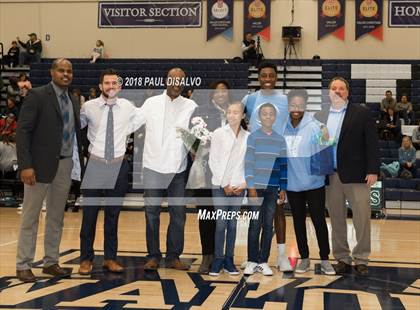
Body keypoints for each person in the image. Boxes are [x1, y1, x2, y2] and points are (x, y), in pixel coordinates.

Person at [15, 58, 83, 282]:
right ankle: (23, 264)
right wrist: (26, 165)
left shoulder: (73, 100)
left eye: (69, 71)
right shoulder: (37, 95)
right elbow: (23, 132)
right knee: (31, 217)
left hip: (64, 165)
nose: (66, 74)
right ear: (52, 72)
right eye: (61, 70)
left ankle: (51, 262)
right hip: (38, 166)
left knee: (56, 217)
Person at [315, 77, 379, 276]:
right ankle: (342, 257)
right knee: (336, 219)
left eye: (341, 88)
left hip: (357, 175)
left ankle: (361, 258)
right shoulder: (320, 115)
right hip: (331, 176)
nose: (337, 91)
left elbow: (372, 143)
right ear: (329, 92)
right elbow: (318, 145)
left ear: (347, 92)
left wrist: (373, 170)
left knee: (361, 219)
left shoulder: (361, 113)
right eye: (333, 88)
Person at [78, 69, 139, 275]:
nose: (111, 86)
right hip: (95, 165)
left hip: (118, 165)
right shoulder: (88, 107)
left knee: (112, 215)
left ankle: (110, 258)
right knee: (89, 215)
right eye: (107, 83)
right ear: (101, 85)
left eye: (114, 83)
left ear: (119, 86)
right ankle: (86, 259)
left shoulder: (129, 107)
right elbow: (77, 130)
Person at [138, 68, 198, 271]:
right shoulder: (151, 103)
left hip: (178, 169)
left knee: (178, 214)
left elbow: (195, 133)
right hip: (153, 167)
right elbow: (132, 123)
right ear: (166, 80)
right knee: (151, 213)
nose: (176, 83)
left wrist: (196, 149)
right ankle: (153, 255)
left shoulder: (191, 105)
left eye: (181, 80)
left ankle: (173, 257)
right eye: (173, 79)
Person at [242, 61, 292, 272]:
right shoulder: (249, 99)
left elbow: (293, 125)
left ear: (276, 78)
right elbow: (239, 123)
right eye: (264, 76)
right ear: (259, 77)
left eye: (272, 75)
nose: (268, 79)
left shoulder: (285, 100)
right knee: (255, 216)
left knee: (277, 213)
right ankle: (252, 258)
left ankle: (280, 256)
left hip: (277, 161)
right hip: (257, 162)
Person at [283, 89, 335, 275]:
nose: (296, 109)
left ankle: (324, 259)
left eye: (300, 105)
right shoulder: (282, 127)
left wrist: (326, 136)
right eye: (293, 105)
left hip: (314, 184)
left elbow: (326, 149)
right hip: (292, 185)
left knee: (319, 221)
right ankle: (304, 258)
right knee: (298, 222)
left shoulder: (316, 126)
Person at [189, 80, 231, 274]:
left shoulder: (235, 112)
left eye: (224, 91)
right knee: (207, 215)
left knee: (224, 217)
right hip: (206, 172)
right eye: (217, 91)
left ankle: (222, 256)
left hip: (228, 174)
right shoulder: (200, 112)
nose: (221, 94)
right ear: (212, 94)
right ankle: (207, 256)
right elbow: (193, 142)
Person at [244, 103, 288, 276]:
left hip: (272, 189)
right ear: (259, 117)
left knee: (268, 226)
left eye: (271, 114)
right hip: (256, 188)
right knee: (255, 224)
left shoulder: (280, 139)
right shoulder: (253, 138)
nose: (268, 117)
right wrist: (251, 186)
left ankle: (263, 262)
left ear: (275, 117)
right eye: (264, 114)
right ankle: (252, 260)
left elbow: (284, 165)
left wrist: (283, 187)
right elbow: (248, 164)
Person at [208, 101, 249, 276]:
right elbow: (213, 160)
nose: (232, 115)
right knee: (221, 224)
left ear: (243, 116)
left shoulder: (248, 136)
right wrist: (224, 183)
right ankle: (218, 260)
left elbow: (250, 163)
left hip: (239, 187)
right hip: (220, 186)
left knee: (232, 225)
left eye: (236, 112)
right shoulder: (218, 133)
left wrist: (244, 183)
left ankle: (229, 260)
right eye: (229, 112)